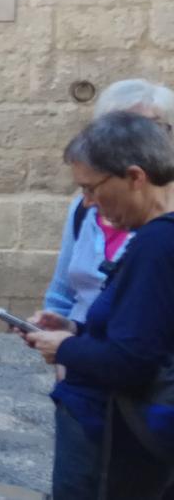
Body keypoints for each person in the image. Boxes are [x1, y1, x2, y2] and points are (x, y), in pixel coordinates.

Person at [23, 111, 174, 499]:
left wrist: (64, 348)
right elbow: (145, 327)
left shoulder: (156, 245)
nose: (87, 204)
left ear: (136, 177)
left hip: (121, 432)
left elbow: (132, 360)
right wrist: (73, 328)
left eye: (92, 189)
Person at [42, 79, 174, 325]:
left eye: (149, 128)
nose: (134, 141)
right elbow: (62, 291)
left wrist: (71, 348)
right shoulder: (84, 209)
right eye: (119, 129)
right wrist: (54, 333)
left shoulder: (163, 226)